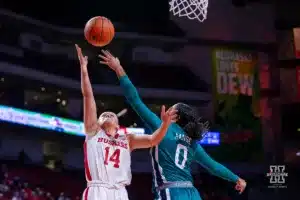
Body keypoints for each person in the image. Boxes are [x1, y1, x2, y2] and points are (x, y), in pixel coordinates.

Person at [98, 50, 247, 200]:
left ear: (175, 117)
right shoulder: (192, 142)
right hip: (192, 194)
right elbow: (213, 166)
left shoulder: (160, 126)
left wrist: (118, 68)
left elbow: (135, 100)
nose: (168, 109)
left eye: (171, 108)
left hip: (171, 192)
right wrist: (236, 179)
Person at [75, 44, 177, 200]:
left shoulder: (127, 139)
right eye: (104, 115)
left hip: (121, 192)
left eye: (111, 114)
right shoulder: (93, 132)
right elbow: (88, 96)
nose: (107, 114)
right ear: (98, 123)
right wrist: (84, 70)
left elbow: (153, 140)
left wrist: (165, 125)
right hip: (98, 190)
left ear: (118, 124)